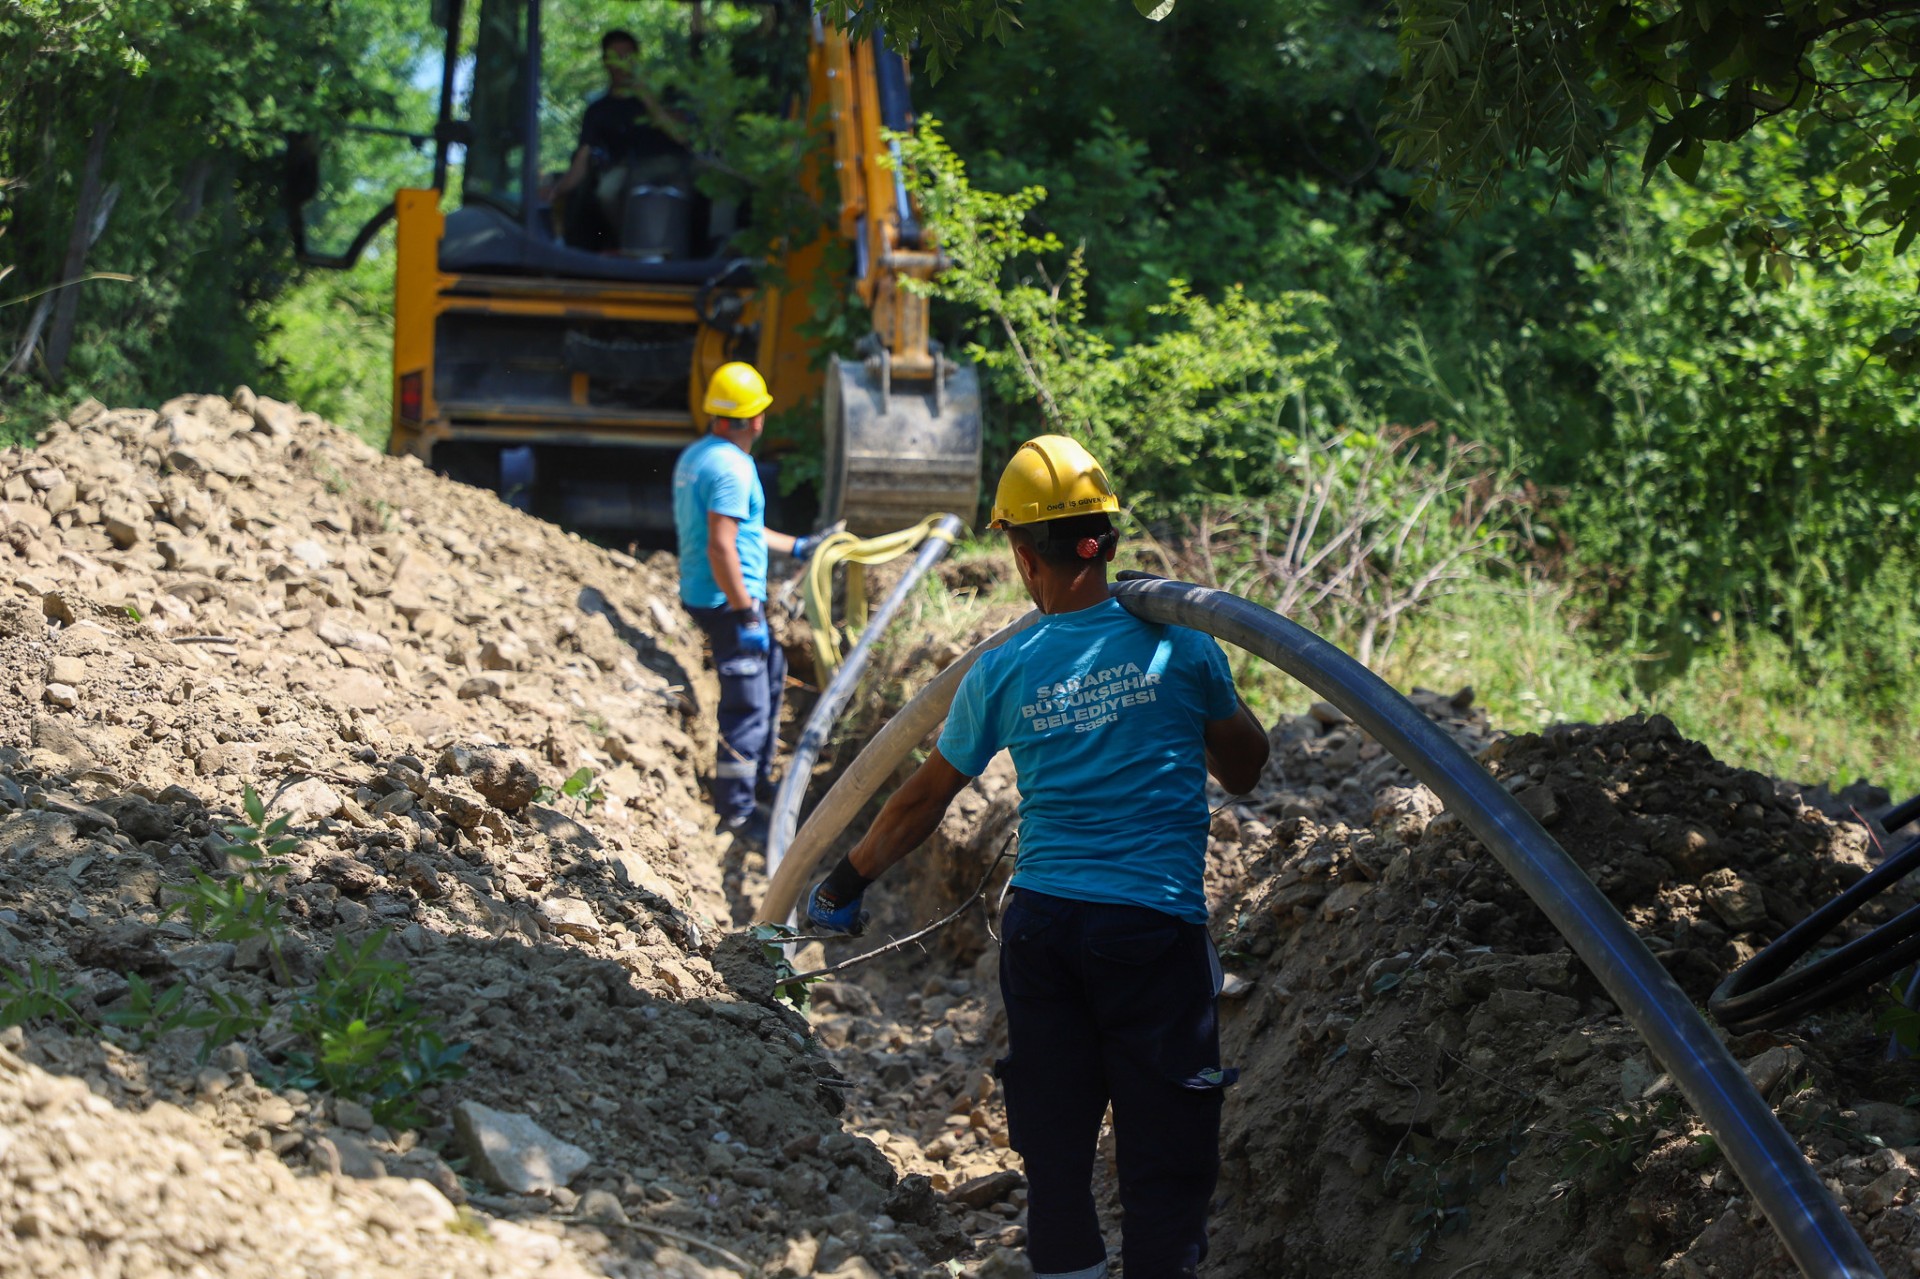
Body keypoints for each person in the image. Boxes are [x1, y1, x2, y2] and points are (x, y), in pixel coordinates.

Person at [805, 435, 1271, 1279]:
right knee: (1166, 1161)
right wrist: (1209, 690)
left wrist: (845, 879)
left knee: (1056, 1154)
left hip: (1045, 930)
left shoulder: (1005, 667)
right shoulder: (1185, 648)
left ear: (1023, 555)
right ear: (1111, 538)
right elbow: (1244, 768)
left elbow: (921, 797)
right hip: (1153, 930)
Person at [673, 362, 827, 845]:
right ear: (756, 419)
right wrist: (745, 612)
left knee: (773, 672)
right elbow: (722, 545)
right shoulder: (734, 468)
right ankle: (738, 813)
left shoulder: (700, 457)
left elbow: (738, 525)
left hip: (711, 594)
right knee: (748, 705)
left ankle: (759, 783)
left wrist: (797, 546)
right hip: (727, 602)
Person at [551, 29, 691, 251]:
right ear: (605, 62)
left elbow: (682, 136)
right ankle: (626, 245)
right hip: (622, 171)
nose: (621, 65)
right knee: (606, 190)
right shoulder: (597, 111)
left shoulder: (663, 96)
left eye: (627, 57)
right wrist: (555, 190)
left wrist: (648, 99)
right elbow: (582, 160)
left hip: (670, 167)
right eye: (615, 58)